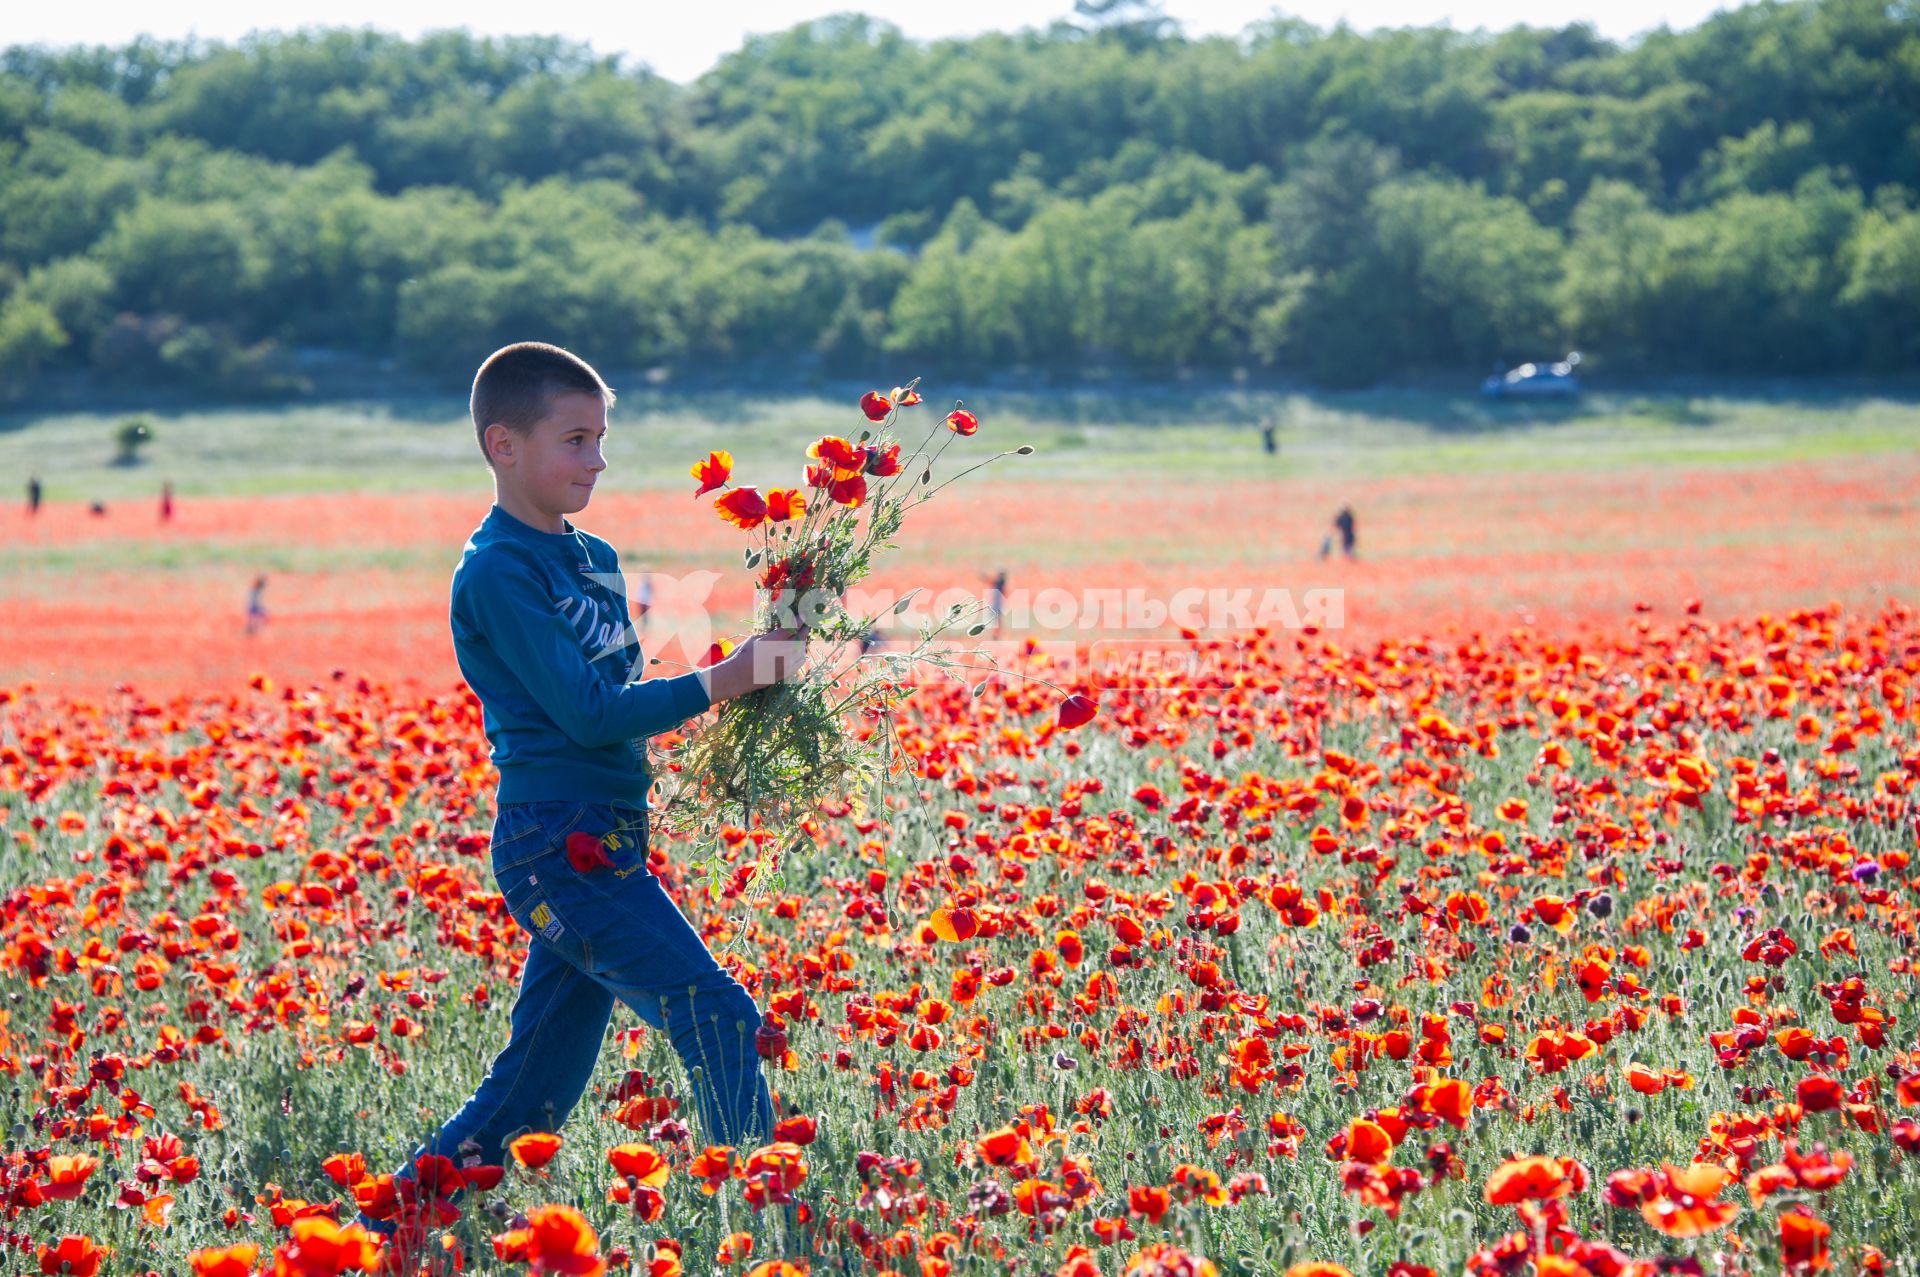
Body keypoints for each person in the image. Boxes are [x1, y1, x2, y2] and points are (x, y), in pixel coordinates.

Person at [354, 342, 809, 1264]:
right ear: (503, 444)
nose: (596, 461)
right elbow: (590, 711)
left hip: (606, 836)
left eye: (601, 439)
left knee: (533, 1087)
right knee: (716, 1012)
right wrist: (728, 678)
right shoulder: (495, 573)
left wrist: (774, 653)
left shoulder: (592, 555)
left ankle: (375, 1238)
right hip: (553, 842)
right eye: (574, 440)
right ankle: (761, 1229)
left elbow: (622, 693)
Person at [984, 568, 1008, 636]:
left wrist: (985, 576)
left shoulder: (1001, 581)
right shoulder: (1001, 581)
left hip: (997, 603)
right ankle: (996, 634)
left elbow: (991, 581)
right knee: (996, 619)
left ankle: (996, 634)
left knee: (996, 619)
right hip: (997, 602)